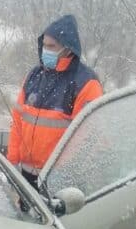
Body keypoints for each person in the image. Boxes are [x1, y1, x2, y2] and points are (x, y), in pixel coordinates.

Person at [7, 14, 103, 189]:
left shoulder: (85, 83)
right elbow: (17, 122)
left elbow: (88, 138)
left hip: (61, 181)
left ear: (68, 48)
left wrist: (60, 176)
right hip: (26, 176)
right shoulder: (33, 76)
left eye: (51, 46)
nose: (46, 51)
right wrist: (12, 162)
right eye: (44, 45)